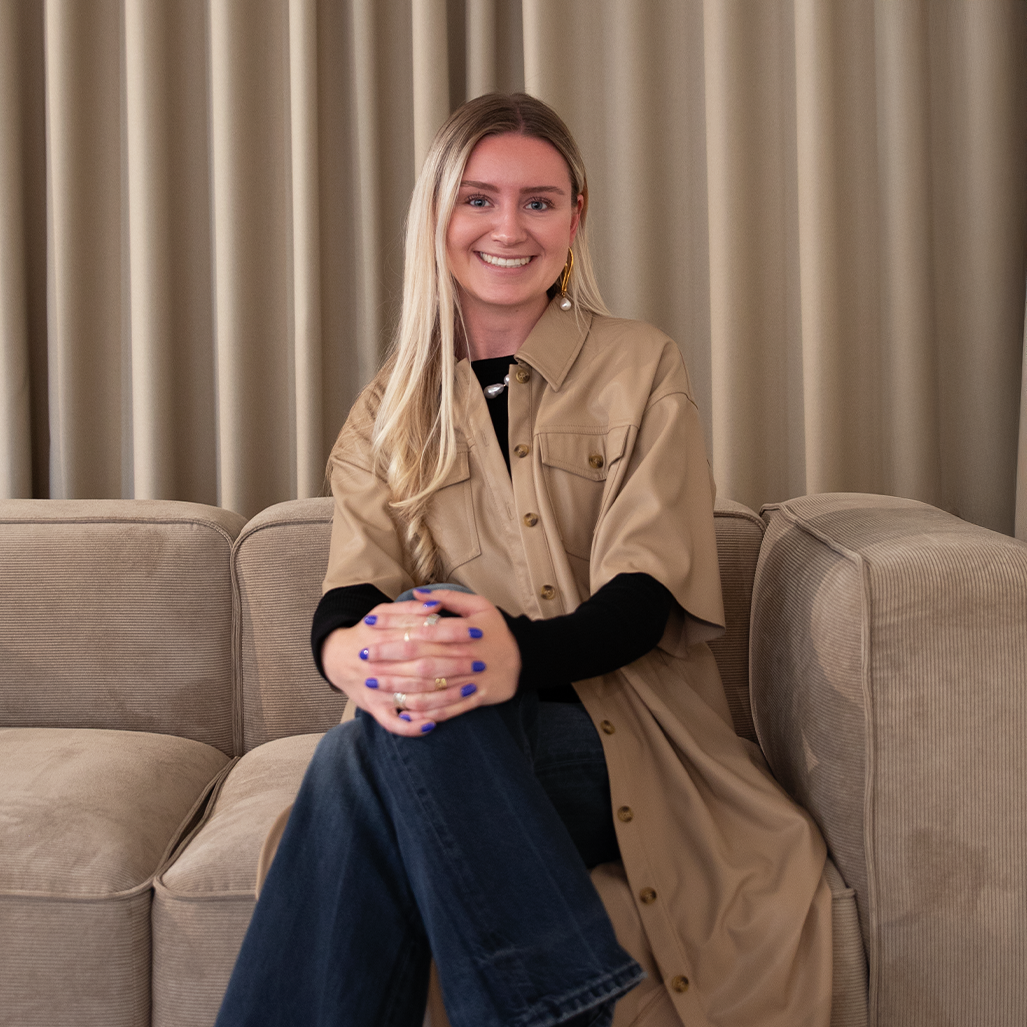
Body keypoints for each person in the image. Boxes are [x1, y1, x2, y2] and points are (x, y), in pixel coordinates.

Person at [215, 93, 833, 1027]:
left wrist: (507, 655)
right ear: (438, 216)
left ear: (574, 217)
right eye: (478, 199)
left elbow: (642, 595)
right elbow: (352, 592)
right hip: (444, 739)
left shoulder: (640, 364)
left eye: (538, 202)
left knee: (385, 732)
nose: (508, 228)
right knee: (406, 699)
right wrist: (348, 656)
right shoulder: (387, 410)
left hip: (619, 742)